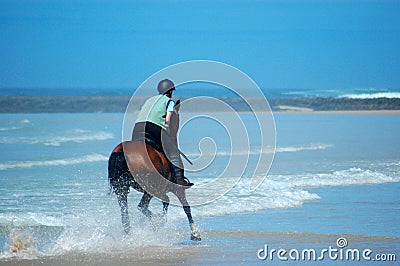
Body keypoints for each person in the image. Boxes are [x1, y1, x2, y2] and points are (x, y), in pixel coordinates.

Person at [132, 79, 193, 188]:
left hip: (137, 127)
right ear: (170, 91)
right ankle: (179, 179)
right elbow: (168, 120)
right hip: (155, 128)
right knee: (173, 152)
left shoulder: (149, 100)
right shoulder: (169, 101)